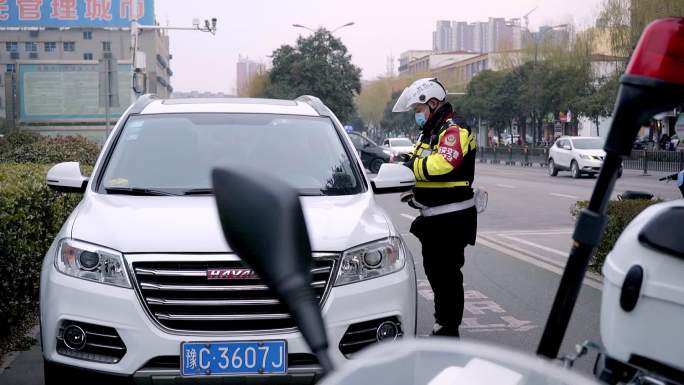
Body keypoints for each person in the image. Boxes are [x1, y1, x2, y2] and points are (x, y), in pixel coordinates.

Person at [392, 78, 477, 337]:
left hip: (451, 218)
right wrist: (399, 163)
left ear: (432, 103)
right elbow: (420, 157)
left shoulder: (453, 129)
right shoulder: (432, 131)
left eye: (418, 110)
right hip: (436, 218)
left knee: (446, 276)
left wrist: (410, 170)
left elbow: (443, 164)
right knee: (437, 273)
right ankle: (443, 324)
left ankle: (448, 330)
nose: (417, 116)